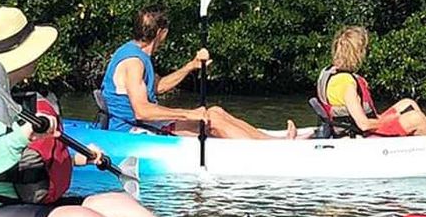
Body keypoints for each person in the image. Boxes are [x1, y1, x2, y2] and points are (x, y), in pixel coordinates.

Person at [0, 5, 248, 217]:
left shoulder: (9, 99)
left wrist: (80, 158)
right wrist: (22, 135)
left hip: (10, 205)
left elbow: (24, 163)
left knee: (116, 201)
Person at [102, 7, 297, 139]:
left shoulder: (137, 54)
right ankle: (272, 150)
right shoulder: (134, 62)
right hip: (132, 132)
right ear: (161, 32)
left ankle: (272, 140)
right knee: (211, 123)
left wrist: (191, 65)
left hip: (145, 125)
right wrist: (188, 114)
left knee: (214, 111)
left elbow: (157, 87)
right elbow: (142, 111)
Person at [318, 25, 426, 137]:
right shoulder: (347, 84)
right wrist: (391, 119)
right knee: (417, 119)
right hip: (358, 135)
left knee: (408, 103)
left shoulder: (331, 72)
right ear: (357, 53)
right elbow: (363, 124)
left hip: (360, 127)